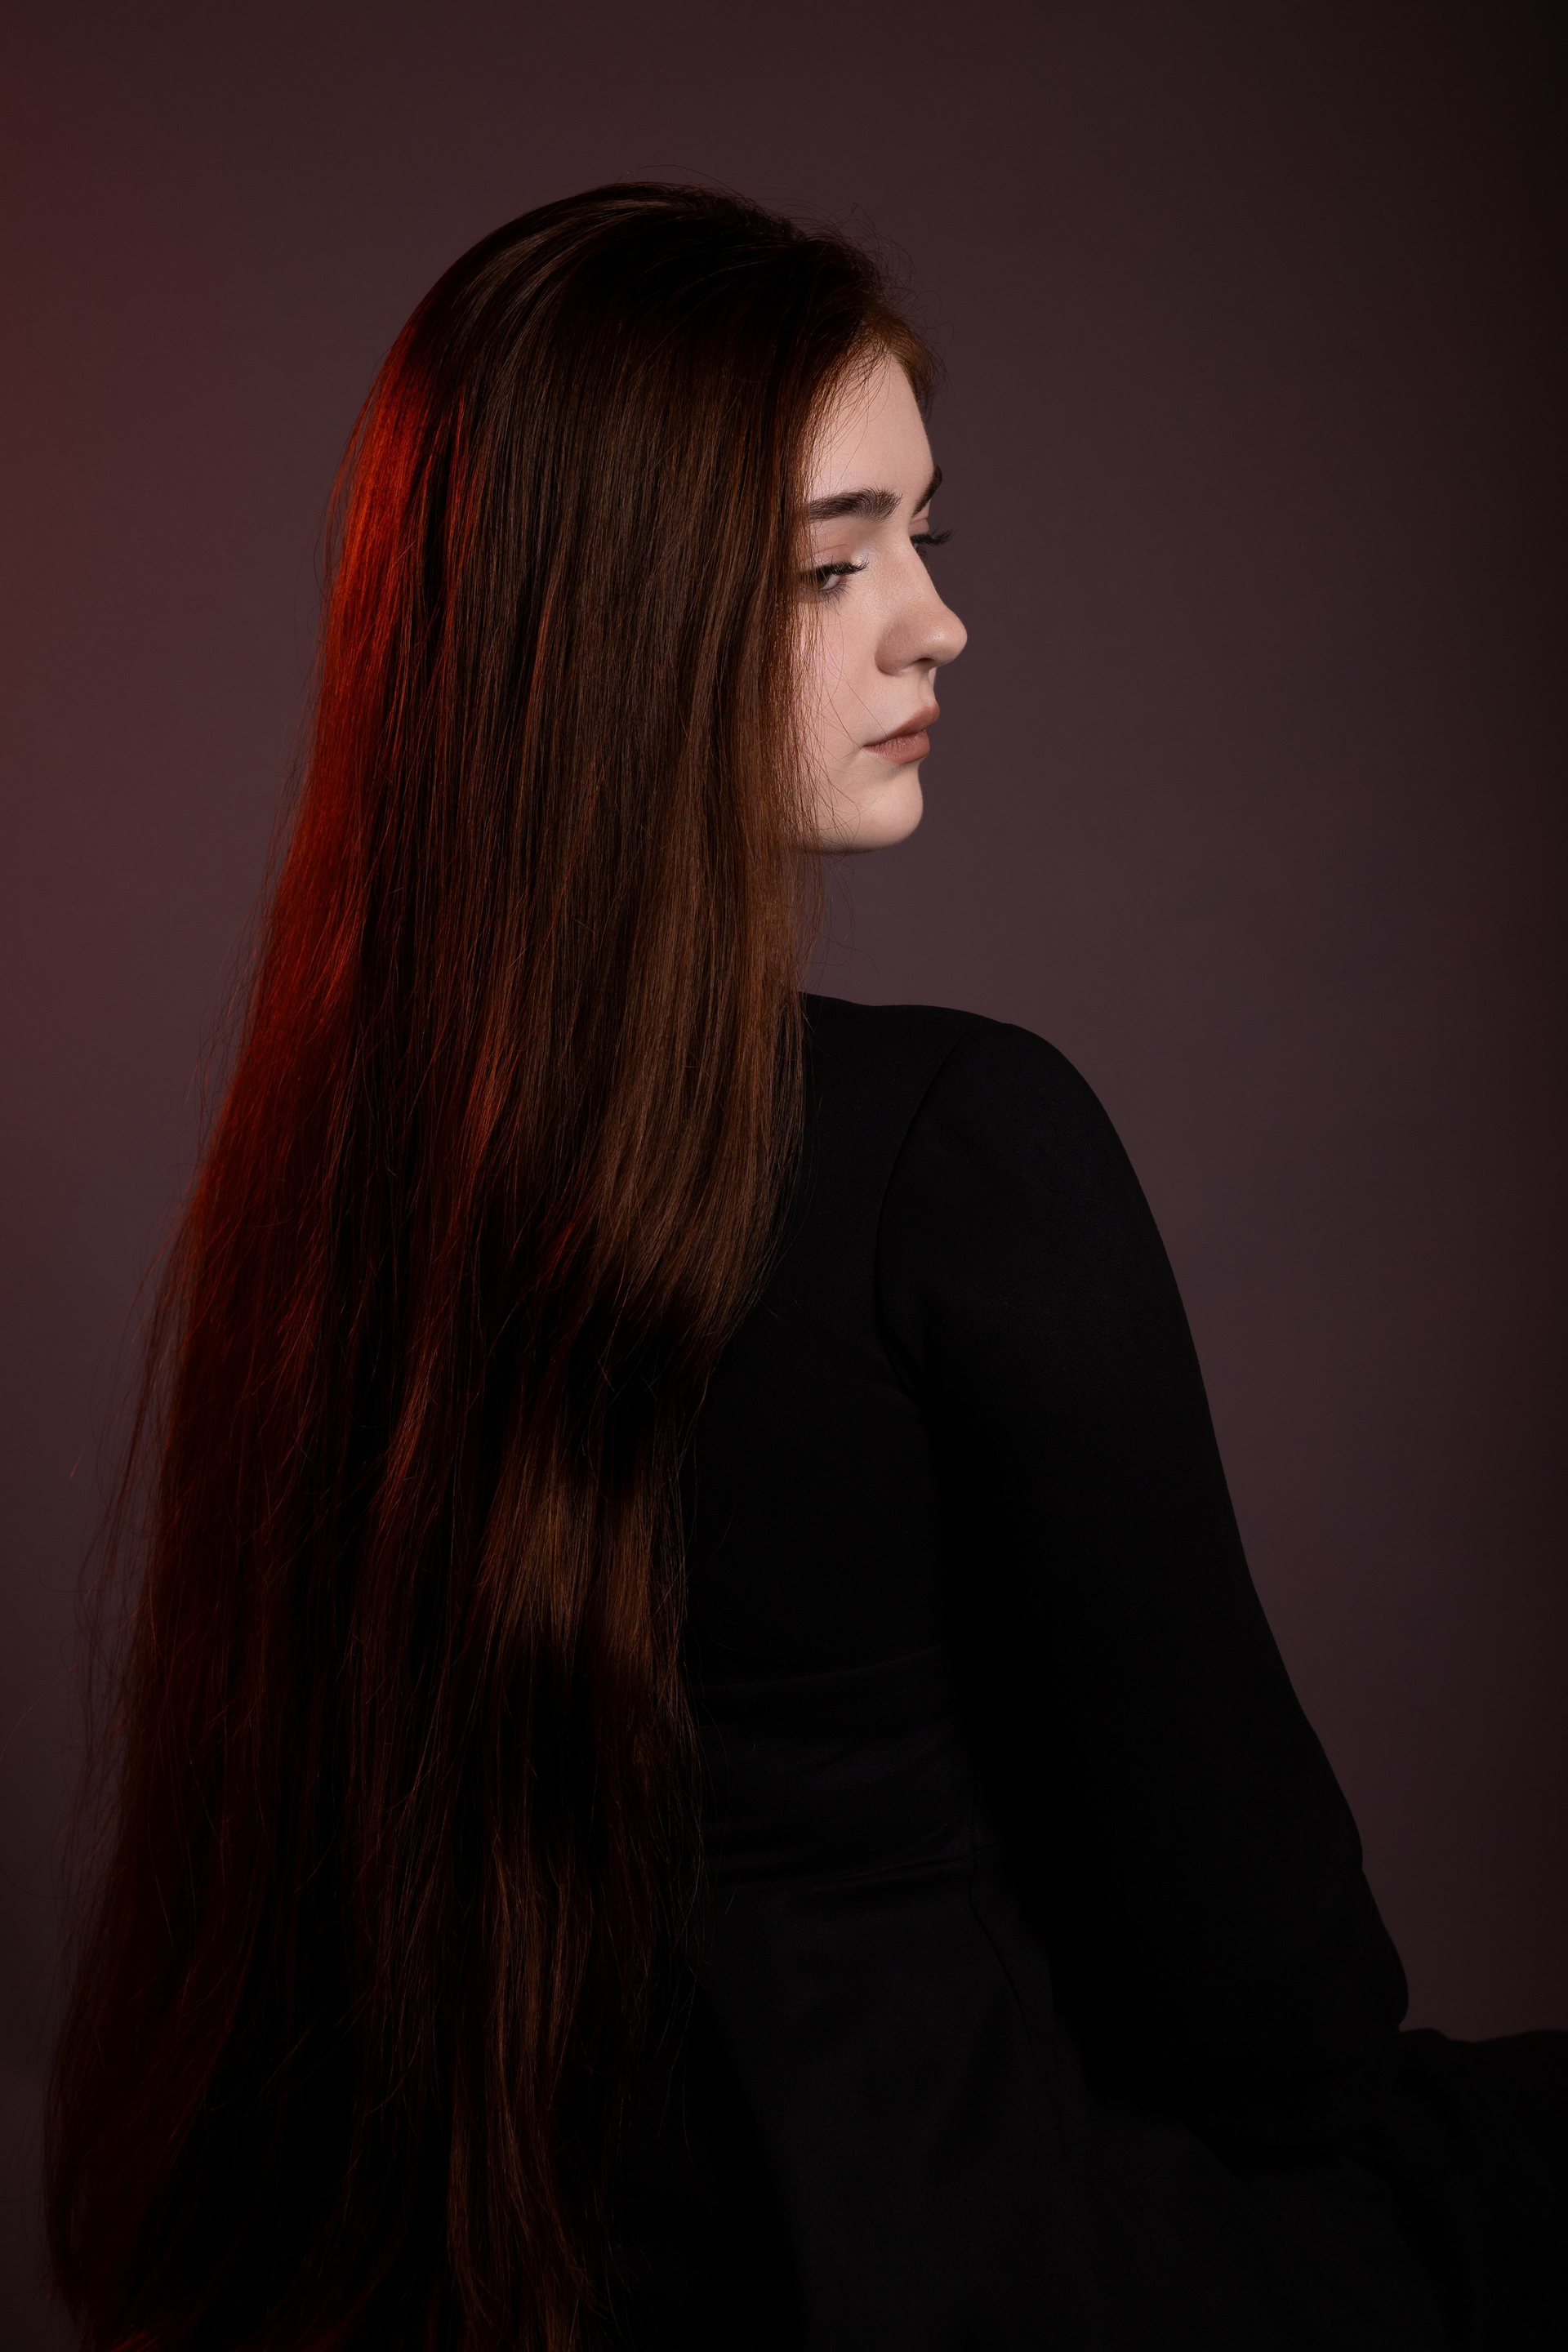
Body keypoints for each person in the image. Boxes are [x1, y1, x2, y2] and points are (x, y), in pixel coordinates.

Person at [45, 185, 1563, 2352]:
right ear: (610, 630)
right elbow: (1276, 2018)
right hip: (952, 2260)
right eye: (835, 564)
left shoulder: (317, 1207)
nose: (937, 625)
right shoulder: (964, 1153)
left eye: (924, 539)